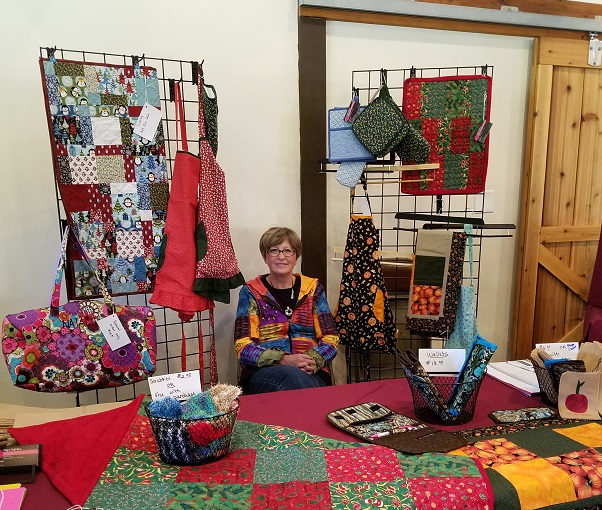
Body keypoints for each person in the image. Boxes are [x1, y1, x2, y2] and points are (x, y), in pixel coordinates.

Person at [234, 227, 339, 394]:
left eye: (288, 251)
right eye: (274, 250)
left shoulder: (313, 289)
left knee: (295, 380)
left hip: (311, 370)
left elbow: (330, 338)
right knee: (291, 378)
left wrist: (309, 361)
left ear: (296, 256)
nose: (281, 256)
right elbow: (243, 345)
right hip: (264, 372)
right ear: (265, 256)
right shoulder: (250, 292)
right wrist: (282, 359)